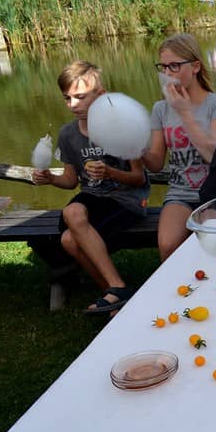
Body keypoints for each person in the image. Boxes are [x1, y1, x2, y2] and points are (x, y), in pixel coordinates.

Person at [31, 61, 150, 314]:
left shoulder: (123, 126)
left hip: (125, 200)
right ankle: (116, 295)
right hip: (93, 199)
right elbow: (71, 181)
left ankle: (115, 290)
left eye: (80, 97)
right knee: (68, 236)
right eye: (67, 98)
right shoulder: (68, 134)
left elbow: (138, 178)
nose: (73, 105)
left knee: (71, 224)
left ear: (101, 95)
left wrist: (110, 172)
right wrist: (50, 178)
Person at [142, 33, 216, 261]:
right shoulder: (160, 109)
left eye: (174, 66)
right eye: (163, 67)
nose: (167, 73)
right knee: (167, 244)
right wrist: (135, 148)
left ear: (195, 66)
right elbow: (155, 164)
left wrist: (184, 112)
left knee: (214, 244)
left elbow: (213, 155)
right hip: (180, 193)